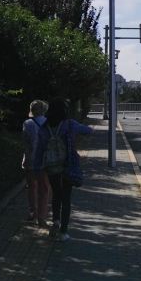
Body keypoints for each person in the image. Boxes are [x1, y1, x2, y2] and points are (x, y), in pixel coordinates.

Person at [34, 98, 93, 242]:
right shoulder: (70, 124)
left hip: (51, 166)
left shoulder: (44, 127)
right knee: (66, 198)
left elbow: (39, 150)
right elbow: (88, 131)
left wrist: (37, 168)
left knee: (56, 194)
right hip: (68, 165)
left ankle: (55, 221)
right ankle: (63, 232)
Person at [22, 99, 51, 228]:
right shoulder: (48, 123)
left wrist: (27, 159)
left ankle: (32, 212)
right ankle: (42, 217)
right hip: (44, 161)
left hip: (30, 160)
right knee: (44, 189)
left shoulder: (27, 123)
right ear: (44, 110)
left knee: (31, 187)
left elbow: (25, 144)